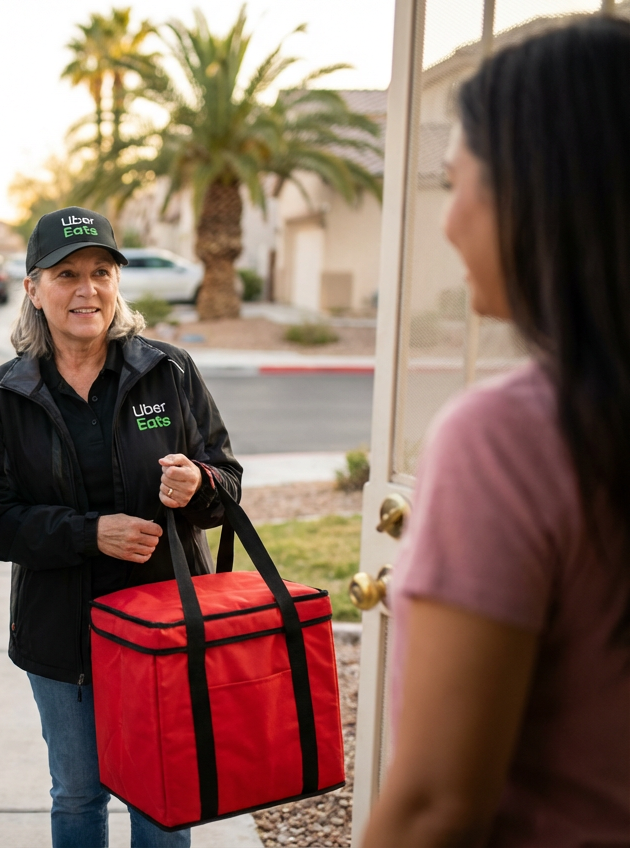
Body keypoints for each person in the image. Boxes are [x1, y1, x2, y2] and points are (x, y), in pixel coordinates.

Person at [364, 17, 630, 847]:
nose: (446, 224)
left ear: (541, 189)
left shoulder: (510, 437)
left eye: (455, 184)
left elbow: (436, 806)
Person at [0, 207, 243, 847]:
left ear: (118, 283)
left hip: (165, 624)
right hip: (61, 634)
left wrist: (199, 484)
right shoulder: (3, 395)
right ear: (33, 289)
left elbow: (226, 480)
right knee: (77, 793)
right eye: (66, 274)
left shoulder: (168, 372)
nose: (86, 289)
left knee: (161, 796)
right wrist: (90, 533)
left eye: (101, 272)